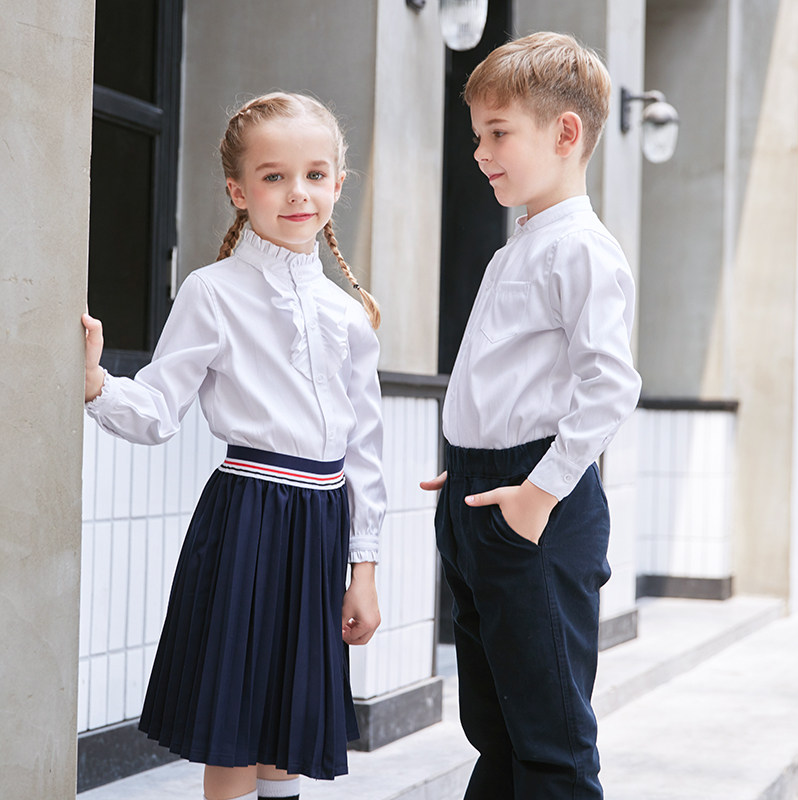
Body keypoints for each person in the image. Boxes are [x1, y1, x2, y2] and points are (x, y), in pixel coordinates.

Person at [83, 92, 386, 800]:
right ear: (238, 189)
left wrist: (363, 569)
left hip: (321, 525)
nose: (297, 192)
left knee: (289, 726)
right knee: (239, 727)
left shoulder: (349, 315)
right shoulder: (211, 292)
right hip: (247, 517)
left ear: (338, 185)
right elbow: (158, 409)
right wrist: (97, 384)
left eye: (316, 174)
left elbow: (365, 450)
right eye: (274, 176)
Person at [421, 32, 642, 799]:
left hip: (534, 504)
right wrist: (475, 459)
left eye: (498, 133)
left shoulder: (581, 248)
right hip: (483, 490)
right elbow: (515, 378)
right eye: (477, 133)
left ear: (566, 132)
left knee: (549, 739)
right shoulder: (516, 245)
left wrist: (536, 488)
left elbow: (610, 385)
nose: (481, 152)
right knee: (497, 731)